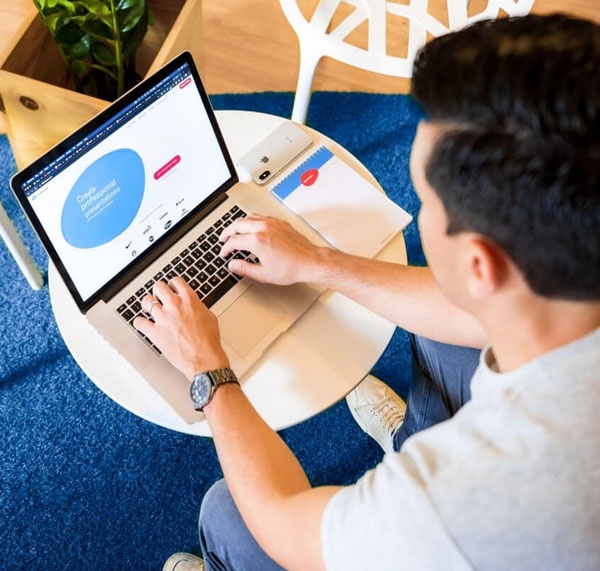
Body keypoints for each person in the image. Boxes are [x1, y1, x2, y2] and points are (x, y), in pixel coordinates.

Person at [134, 13, 600, 571]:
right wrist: (317, 261)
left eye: (427, 202)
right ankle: (411, 450)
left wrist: (207, 368)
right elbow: (472, 308)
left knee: (226, 514)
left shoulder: (470, 497)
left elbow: (285, 522)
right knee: (447, 341)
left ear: (481, 263)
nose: (422, 214)